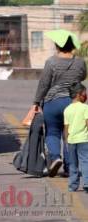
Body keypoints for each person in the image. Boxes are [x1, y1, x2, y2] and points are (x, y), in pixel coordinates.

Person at [33, 35, 87, 177]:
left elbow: (44, 83)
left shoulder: (51, 62)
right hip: (72, 102)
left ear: (57, 46)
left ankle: (56, 157)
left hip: (52, 102)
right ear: (72, 46)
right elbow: (83, 77)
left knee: (52, 132)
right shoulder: (80, 62)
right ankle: (70, 167)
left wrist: (36, 101)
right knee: (69, 135)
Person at [64, 83, 88, 192]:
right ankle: (87, 183)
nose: (86, 95)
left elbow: (66, 128)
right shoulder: (85, 108)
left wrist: (66, 141)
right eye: (84, 93)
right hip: (84, 139)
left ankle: (72, 186)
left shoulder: (67, 109)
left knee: (73, 164)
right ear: (78, 95)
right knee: (85, 162)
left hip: (71, 141)